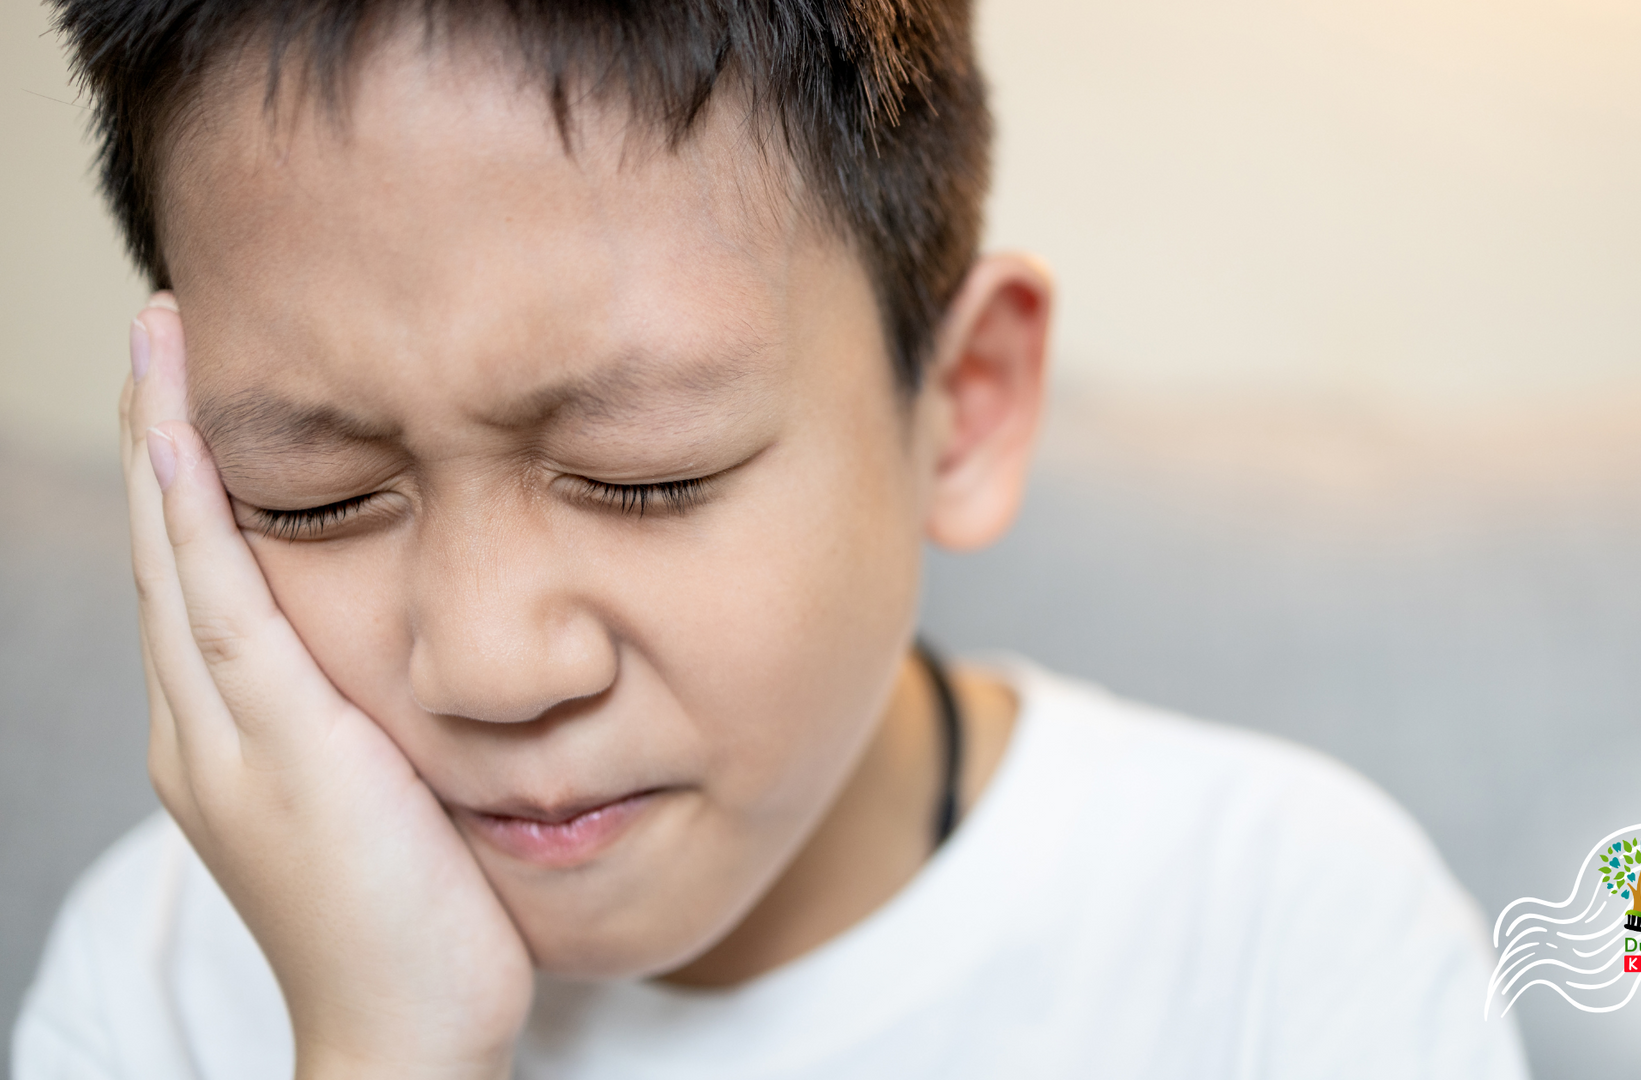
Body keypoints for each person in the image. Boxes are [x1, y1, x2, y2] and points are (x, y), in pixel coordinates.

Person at [13, 2, 1527, 1077]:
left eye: (642, 473)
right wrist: (385, 1051)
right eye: (314, 497)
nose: (486, 660)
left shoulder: (1278, 929)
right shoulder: (162, 978)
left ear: (967, 405)